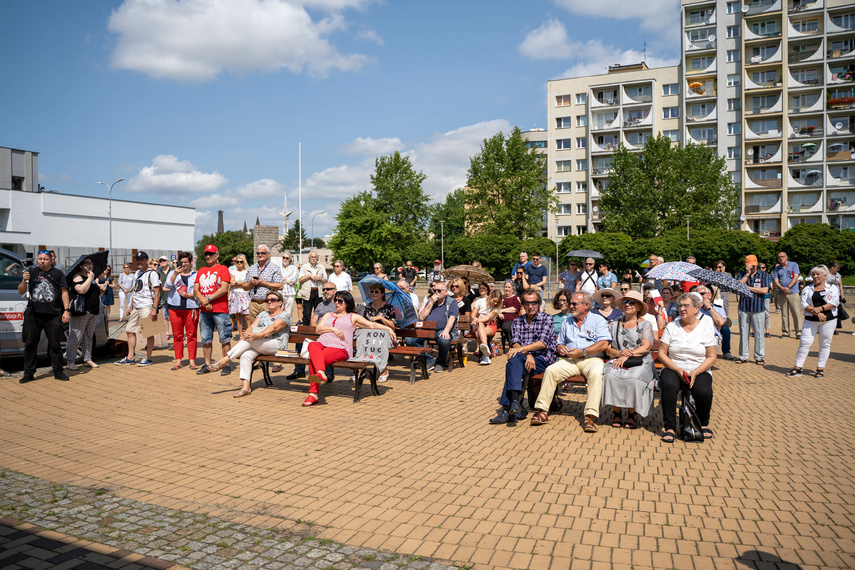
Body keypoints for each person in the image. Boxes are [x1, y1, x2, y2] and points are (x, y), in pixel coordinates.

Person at [529, 291, 611, 432]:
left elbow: (604, 343)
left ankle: (589, 416)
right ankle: (543, 411)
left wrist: (583, 351)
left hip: (592, 359)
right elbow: (559, 343)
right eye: (571, 303)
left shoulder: (598, 320)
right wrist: (560, 349)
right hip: (571, 360)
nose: (570, 306)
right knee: (551, 370)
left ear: (586, 305)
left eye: (574, 303)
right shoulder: (567, 321)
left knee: (597, 374)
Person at [302, 291, 396, 406]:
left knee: (315, 360)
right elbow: (318, 329)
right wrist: (333, 329)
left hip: (339, 348)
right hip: (321, 344)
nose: (337, 303)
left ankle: (313, 394)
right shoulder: (328, 315)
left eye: (340, 301)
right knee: (312, 345)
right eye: (335, 300)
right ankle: (321, 373)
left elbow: (371, 325)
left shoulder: (353, 317)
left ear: (347, 303)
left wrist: (388, 329)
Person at [489, 288, 557, 424]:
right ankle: (514, 404)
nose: (530, 306)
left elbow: (542, 343)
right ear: (523, 304)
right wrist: (527, 355)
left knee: (512, 364)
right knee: (513, 361)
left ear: (538, 303)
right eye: (527, 303)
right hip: (523, 359)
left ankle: (507, 408)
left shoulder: (547, 318)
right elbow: (515, 343)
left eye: (533, 303)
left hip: (543, 358)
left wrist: (527, 354)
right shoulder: (518, 321)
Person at [657, 292, 718, 443]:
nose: (682, 308)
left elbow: (711, 356)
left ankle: (703, 424)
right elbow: (662, 353)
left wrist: (697, 371)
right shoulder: (672, 326)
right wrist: (676, 369)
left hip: (699, 368)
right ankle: (670, 427)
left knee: (703, 390)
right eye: (680, 305)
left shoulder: (705, 327)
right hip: (674, 367)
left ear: (697, 309)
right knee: (669, 384)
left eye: (686, 305)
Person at [208, 291, 291, 398]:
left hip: (277, 345)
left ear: (280, 302)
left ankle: (225, 360)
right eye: (267, 300)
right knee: (245, 355)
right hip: (259, 344)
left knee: (251, 340)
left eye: (273, 300)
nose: (270, 302)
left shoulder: (284, 315)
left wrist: (256, 336)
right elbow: (251, 327)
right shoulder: (263, 314)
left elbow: (273, 329)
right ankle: (246, 387)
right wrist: (247, 334)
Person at [602, 290, 657, 429]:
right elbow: (608, 349)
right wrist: (620, 353)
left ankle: (632, 414)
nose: (628, 304)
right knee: (610, 374)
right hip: (618, 358)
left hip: (641, 360)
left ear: (639, 307)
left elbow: (645, 347)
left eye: (632, 302)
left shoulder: (646, 325)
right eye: (626, 302)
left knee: (634, 378)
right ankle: (617, 412)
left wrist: (627, 354)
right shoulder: (614, 324)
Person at [17, 251, 70, 383]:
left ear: (51, 260)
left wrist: (66, 310)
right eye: (40, 259)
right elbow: (21, 291)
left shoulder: (58, 274)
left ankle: (58, 371)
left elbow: (64, 292)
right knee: (30, 344)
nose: (42, 261)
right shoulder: (31, 272)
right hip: (33, 314)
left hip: (52, 314)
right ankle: (29, 373)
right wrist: (24, 280)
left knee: (55, 344)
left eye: (45, 259)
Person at [786, 265, 839, 378]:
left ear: (824, 276)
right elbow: (804, 304)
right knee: (804, 343)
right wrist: (817, 313)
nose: (815, 276)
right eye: (813, 274)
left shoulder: (833, 288)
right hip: (811, 319)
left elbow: (834, 302)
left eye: (818, 274)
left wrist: (821, 309)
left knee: (825, 343)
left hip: (828, 320)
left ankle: (820, 368)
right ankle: (798, 367)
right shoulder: (807, 288)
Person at [116, 251, 161, 367]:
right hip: (136, 306)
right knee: (130, 330)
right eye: (137, 260)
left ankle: (148, 358)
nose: (139, 262)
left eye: (141, 260)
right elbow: (136, 290)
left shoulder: (153, 274)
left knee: (148, 333)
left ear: (147, 261)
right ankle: (130, 357)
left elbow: (157, 293)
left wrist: (154, 309)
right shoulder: (136, 273)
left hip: (147, 305)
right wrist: (131, 306)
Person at [286, 281, 338, 381]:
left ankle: (329, 373)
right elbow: (314, 320)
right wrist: (317, 329)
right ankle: (299, 370)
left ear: (335, 291)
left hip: (331, 333)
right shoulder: (320, 305)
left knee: (327, 346)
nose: (325, 291)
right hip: (318, 331)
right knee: (300, 341)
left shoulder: (339, 304)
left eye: (328, 289)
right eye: (323, 289)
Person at [194, 245, 232, 376]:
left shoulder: (223, 269)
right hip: (205, 310)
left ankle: (226, 364)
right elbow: (196, 289)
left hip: (220, 309)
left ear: (217, 255)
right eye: (206, 254)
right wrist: (203, 300)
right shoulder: (201, 270)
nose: (208, 256)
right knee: (206, 339)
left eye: (211, 254)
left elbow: (223, 288)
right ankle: (207, 364)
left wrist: (208, 299)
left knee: (224, 338)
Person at [407, 281, 458, 373]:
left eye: (439, 290)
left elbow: (452, 317)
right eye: (434, 290)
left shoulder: (452, 302)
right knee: (409, 340)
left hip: (441, 330)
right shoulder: (431, 301)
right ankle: (429, 359)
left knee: (444, 341)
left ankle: (440, 363)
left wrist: (446, 330)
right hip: (427, 329)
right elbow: (422, 317)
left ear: (446, 292)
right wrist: (431, 303)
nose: (436, 293)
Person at [164, 251, 199, 370]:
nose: (183, 264)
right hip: (175, 308)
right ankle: (178, 360)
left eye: (186, 262)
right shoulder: (173, 274)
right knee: (177, 335)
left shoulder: (196, 275)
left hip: (191, 308)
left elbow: (199, 291)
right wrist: (174, 273)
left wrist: (189, 295)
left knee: (191, 335)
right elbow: (168, 285)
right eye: (181, 262)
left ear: (191, 263)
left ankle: (192, 361)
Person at [65, 257, 102, 370]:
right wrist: (90, 278)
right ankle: (70, 361)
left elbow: (93, 294)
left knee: (88, 336)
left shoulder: (91, 277)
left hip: (92, 311)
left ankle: (87, 359)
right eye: (87, 263)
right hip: (81, 311)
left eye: (91, 263)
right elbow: (81, 290)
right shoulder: (77, 276)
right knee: (76, 336)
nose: (90, 265)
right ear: (81, 265)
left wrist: (101, 292)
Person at [735, 254, 772, 365]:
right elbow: (738, 287)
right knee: (743, 333)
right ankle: (743, 356)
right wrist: (746, 275)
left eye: (754, 265)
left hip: (758, 307)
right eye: (750, 266)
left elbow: (765, 290)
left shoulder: (764, 275)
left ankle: (759, 357)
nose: (752, 268)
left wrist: (748, 288)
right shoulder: (741, 275)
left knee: (759, 333)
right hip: (743, 307)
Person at [360, 283, 398, 382]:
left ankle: (384, 370)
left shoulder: (388, 307)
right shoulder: (368, 307)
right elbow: (363, 323)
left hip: (386, 336)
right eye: (372, 291)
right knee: (361, 342)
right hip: (370, 335)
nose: (373, 293)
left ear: (382, 294)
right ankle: (360, 370)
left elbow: (393, 326)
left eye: (376, 291)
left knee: (379, 343)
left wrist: (381, 318)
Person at [242, 245, 285, 323]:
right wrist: (251, 283)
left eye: (262, 253)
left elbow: (280, 286)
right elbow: (245, 287)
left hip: (268, 304)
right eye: (258, 253)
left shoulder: (274, 268)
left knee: (268, 328)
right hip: (254, 304)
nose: (260, 255)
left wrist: (263, 283)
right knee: (253, 329)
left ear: (268, 254)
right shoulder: (252, 268)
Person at [695, 284, 733, 360]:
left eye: (703, 294)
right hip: (696, 336)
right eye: (697, 294)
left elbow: (721, 323)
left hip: (712, 337)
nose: (701, 296)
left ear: (709, 295)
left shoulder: (718, 309)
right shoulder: (693, 309)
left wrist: (709, 307)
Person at [773, 251, 802, 338]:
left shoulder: (794, 265)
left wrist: (788, 287)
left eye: (782, 256)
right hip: (782, 293)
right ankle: (785, 331)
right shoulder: (777, 269)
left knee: (796, 313)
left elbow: (796, 277)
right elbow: (776, 281)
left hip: (793, 292)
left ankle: (798, 332)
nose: (781, 258)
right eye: (779, 257)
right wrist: (782, 289)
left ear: (787, 257)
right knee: (784, 314)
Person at [471, 290, 503, 365]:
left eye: (497, 302)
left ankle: (485, 355)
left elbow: (487, 318)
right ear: (490, 297)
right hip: (478, 324)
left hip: (490, 325)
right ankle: (485, 350)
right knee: (479, 326)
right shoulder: (480, 301)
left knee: (478, 333)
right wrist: (475, 319)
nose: (495, 304)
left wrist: (478, 320)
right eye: (494, 301)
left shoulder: (496, 308)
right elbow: (473, 315)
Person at [298, 251, 327, 326]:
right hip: (308, 292)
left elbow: (325, 280)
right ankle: (306, 330)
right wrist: (309, 276)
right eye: (312, 257)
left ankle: (318, 328)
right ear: (309, 258)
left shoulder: (322, 267)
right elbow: (300, 279)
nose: (313, 259)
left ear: (317, 258)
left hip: (318, 292)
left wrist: (319, 278)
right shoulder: (304, 267)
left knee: (319, 312)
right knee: (307, 313)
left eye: (315, 257)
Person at [229, 254, 250, 340]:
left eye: (241, 261)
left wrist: (237, 283)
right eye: (237, 262)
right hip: (236, 295)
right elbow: (232, 282)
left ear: (244, 262)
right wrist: (241, 283)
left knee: (247, 316)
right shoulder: (234, 272)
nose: (239, 263)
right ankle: (241, 335)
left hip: (245, 295)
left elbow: (247, 283)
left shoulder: (247, 271)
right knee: (238, 316)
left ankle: (248, 333)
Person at [826, 261, 848, 333]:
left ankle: (834, 328)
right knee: (828, 311)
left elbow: (840, 285)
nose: (838, 270)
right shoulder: (825, 274)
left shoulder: (838, 275)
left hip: (836, 295)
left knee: (836, 311)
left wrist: (842, 295)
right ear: (832, 267)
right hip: (827, 295)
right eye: (837, 268)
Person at [759, 262, 773, 338]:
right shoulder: (755, 276)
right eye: (760, 268)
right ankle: (754, 330)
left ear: (765, 268)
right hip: (757, 296)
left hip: (766, 296)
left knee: (766, 313)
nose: (761, 269)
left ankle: (767, 331)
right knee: (755, 312)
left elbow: (771, 287)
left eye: (763, 268)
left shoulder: (768, 276)